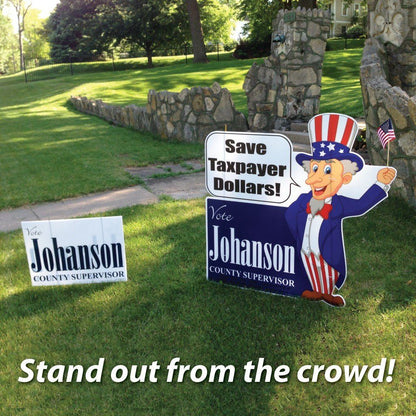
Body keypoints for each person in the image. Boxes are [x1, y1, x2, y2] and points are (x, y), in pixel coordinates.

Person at [285, 113, 396, 307]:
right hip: (305, 250)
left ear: (344, 179)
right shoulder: (304, 199)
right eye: (314, 169)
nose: (314, 179)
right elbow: (289, 214)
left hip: (327, 252)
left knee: (325, 270)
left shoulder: (338, 204)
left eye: (327, 170)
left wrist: (380, 184)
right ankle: (314, 289)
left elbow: (361, 205)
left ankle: (327, 292)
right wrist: (297, 233)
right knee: (309, 266)